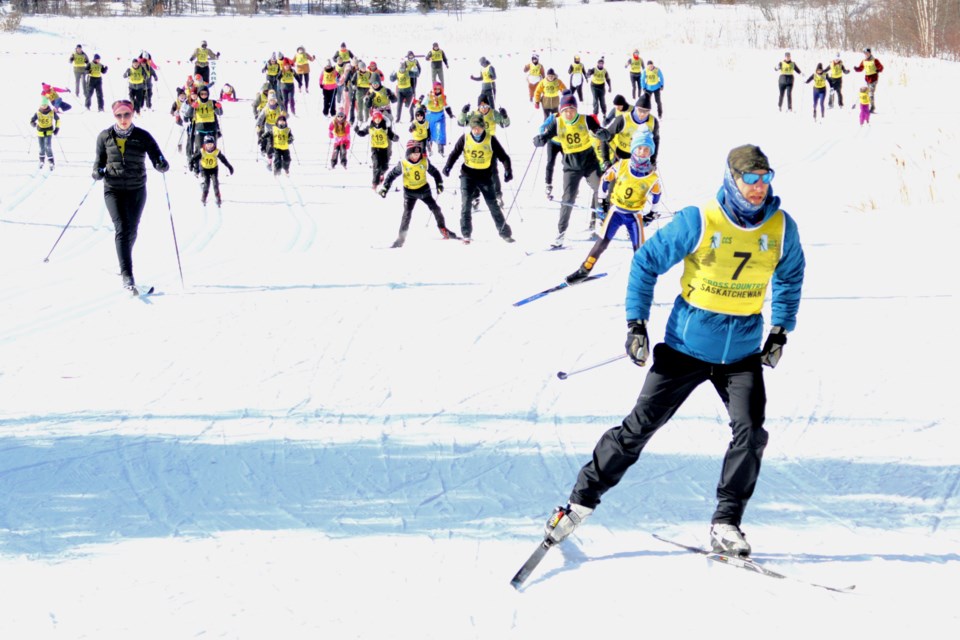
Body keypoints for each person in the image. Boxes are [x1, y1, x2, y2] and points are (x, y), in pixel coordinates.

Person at [542, 143, 805, 558]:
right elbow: (646, 262)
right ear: (732, 180)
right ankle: (577, 504)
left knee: (751, 433)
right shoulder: (699, 220)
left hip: (741, 353)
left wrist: (780, 330)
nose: (758, 187)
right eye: (750, 179)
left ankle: (726, 523)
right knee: (637, 429)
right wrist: (636, 323)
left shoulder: (781, 227)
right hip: (686, 347)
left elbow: (791, 276)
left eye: (764, 178)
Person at [92, 100, 170, 294]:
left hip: (136, 188)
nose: (123, 119)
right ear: (114, 117)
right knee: (122, 228)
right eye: (119, 115)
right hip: (113, 189)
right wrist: (97, 172)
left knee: (132, 230)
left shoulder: (142, 136)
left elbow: (158, 157)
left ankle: (123, 261)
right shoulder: (104, 136)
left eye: (126, 114)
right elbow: (98, 163)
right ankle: (127, 275)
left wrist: (162, 164)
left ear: (133, 114)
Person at [566, 130, 661, 284]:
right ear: (633, 148)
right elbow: (605, 180)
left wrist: (652, 213)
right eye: (639, 148)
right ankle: (584, 270)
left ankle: (642, 280)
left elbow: (657, 195)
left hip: (634, 215)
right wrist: (602, 201)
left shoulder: (652, 177)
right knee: (602, 242)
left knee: (639, 250)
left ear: (650, 152)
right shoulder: (622, 164)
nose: (642, 152)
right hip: (616, 211)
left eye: (646, 149)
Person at [532, 93, 611, 248]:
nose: (569, 113)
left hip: (589, 162)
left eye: (572, 109)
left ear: (576, 110)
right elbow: (546, 135)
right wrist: (539, 140)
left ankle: (600, 220)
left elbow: (601, 131)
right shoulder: (557, 122)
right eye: (566, 110)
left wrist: (603, 134)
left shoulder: (585, 119)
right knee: (568, 199)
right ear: (561, 111)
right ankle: (561, 233)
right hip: (571, 166)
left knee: (600, 188)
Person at [442, 113, 515, 244]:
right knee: (466, 205)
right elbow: (454, 153)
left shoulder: (490, 139)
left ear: (483, 128)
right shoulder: (465, 138)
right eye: (474, 127)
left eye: (479, 128)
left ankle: (505, 234)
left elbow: (504, 156)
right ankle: (466, 234)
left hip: (484, 176)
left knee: (493, 205)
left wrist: (508, 170)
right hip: (467, 175)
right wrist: (448, 167)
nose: (476, 130)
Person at [378, 140, 459, 248]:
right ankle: (400, 239)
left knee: (436, 209)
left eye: (418, 154)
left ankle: (443, 229)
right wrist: (385, 188)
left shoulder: (424, 161)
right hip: (409, 193)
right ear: (408, 153)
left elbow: (435, 173)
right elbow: (392, 175)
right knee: (406, 215)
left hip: (424, 190)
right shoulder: (403, 164)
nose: (416, 156)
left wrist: (439, 184)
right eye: (413, 154)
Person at [355, 109, 400, 188]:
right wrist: (357, 131)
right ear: (373, 119)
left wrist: (395, 138)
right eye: (376, 118)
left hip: (384, 149)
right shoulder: (370, 127)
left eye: (379, 118)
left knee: (385, 167)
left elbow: (390, 135)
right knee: (377, 165)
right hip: (375, 148)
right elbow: (362, 133)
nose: (377, 120)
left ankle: (381, 174)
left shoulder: (385, 126)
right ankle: (375, 183)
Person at [189, 134, 234, 206]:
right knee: (207, 182)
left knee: (215, 182)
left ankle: (218, 197)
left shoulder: (216, 151)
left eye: (211, 144)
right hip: (204, 169)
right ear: (205, 145)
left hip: (214, 169)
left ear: (214, 144)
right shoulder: (202, 151)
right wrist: (191, 163)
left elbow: (223, 159)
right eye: (208, 144)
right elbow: (194, 158)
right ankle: (204, 197)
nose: (209, 146)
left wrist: (229, 167)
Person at [422, 81, 454, 155]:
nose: (437, 90)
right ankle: (429, 148)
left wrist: (450, 114)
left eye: (438, 89)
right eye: (435, 89)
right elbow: (423, 104)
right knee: (429, 132)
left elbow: (446, 106)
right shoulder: (429, 96)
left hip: (440, 116)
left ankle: (441, 149)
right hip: (430, 116)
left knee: (440, 132)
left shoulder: (443, 97)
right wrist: (422, 110)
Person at [30, 98, 60, 171]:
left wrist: (57, 129)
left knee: (48, 146)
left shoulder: (51, 112)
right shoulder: (38, 112)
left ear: (47, 104)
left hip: (49, 131)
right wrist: (34, 124)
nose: (44, 106)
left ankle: (51, 161)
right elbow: (31, 120)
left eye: (45, 105)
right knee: (41, 148)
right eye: (42, 105)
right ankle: (41, 160)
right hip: (40, 132)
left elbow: (57, 120)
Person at [854, 48, 883, 113]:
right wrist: (856, 69)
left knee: (870, 93)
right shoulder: (864, 61)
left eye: (867, 53)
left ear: (870, 53)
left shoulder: (875, 60)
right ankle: (865, 106)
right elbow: (861, 68)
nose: (866, 54)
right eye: (865, 53)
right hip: (867, 79)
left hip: (874, 79)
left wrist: (878, 70)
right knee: (865, 93)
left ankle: (872, 107)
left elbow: (881, 67)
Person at [391, 59, 415, 123]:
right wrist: (391, 75)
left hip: (408, 91)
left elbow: (416, 74)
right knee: (399, 104)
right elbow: (392, 79)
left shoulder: (408, 72)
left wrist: (415, 70)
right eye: (401, 68)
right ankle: (398, 118)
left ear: (405, 67)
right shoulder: (397, 73)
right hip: (400, 91)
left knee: (409, 104)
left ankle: (412, 117)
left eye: (403, 68)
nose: (402, 70)